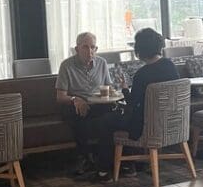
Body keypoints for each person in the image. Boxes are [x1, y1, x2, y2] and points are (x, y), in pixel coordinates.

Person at [95, 28, 178, 179]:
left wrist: (125, 89)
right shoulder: (170, 66)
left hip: (145, 125)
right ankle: (131, 164)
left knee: (106, 121)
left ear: (140, 50)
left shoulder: (142, 74)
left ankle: (104, 170)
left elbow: (133, 103)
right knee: (120, 118)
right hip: (171, 121)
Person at [56, 31, 113, 174]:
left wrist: (111, 95)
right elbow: (60, 96)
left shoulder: (102, 63)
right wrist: (75, 99)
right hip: (74, 104)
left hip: (97, 103)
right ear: (77, 49)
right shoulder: (66, 65)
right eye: (85, 47)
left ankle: (107, 160)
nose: (90, 51)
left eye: (93, 47)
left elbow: (109, 88)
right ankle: (84, 158)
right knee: (79, 113)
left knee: (111, 114)